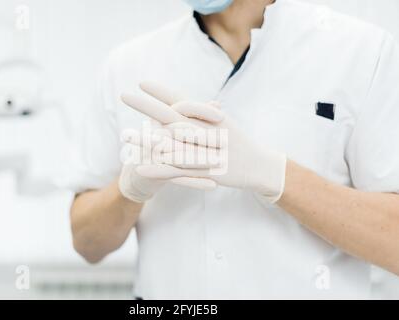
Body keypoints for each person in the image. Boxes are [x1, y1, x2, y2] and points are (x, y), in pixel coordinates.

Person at [69, 0, 399, 299]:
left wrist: (272, 174)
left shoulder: (363, 52)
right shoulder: (128, 64)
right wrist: (129, 191)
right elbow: (87, 244)